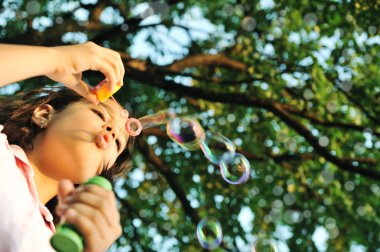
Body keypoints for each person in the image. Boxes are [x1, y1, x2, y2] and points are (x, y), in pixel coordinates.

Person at [0, 42, 135, 251]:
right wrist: (56, 59)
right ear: (44, 115)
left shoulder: (53, 244)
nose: (112, 131)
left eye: (117, 143)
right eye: (99, 114)